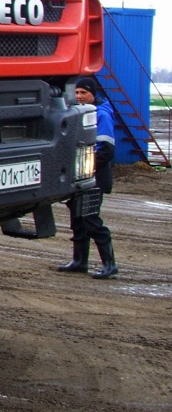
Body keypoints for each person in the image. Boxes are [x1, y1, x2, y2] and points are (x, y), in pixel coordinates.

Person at [57, 76, 118, 279]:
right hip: (79, 177)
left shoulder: (102, 115)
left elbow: (106, 151)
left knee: (90, 218)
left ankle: (110, 264)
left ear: (93, 93)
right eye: (77, 92)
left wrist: (84, 168)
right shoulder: (77, 113)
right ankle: (79, 261)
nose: (79, 96)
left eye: (83, 92)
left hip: (94, 178)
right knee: (77, 219)